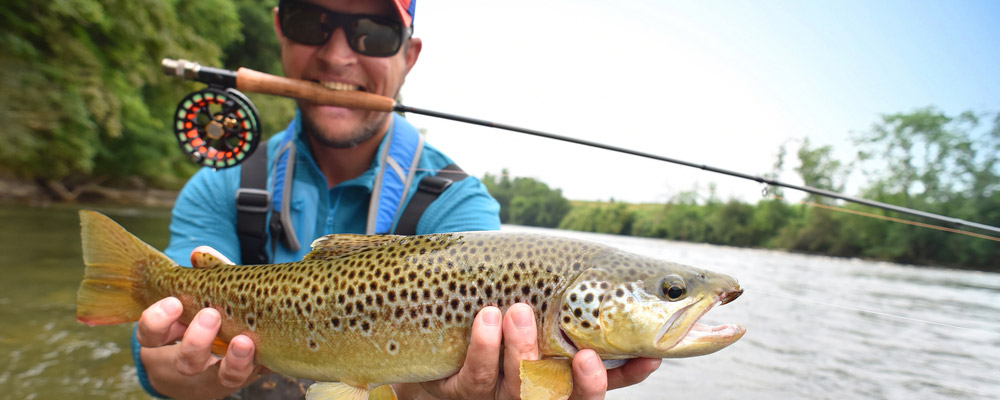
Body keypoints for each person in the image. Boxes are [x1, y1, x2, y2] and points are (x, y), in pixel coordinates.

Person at [132, 0, 661, 398]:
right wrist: (182, 366)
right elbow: (158, 363)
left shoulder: (457, 206)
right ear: (279, 31)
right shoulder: (220, 185)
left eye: (373, 33)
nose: (338, 55)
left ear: (409, 55)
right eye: (310, 23)